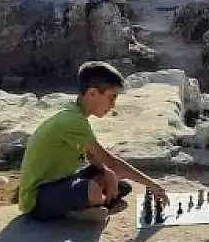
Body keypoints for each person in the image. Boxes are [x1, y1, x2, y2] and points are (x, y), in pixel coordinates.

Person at [17, 60, 170, 223]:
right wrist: (151, 184)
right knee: (93, 189)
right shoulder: (72, 120)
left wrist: (107, 173)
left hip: (62, 181)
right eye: (111, 98)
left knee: (117, 180)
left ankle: (93, 204)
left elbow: (92, 155)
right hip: (37, 198)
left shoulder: (75, 111)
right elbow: (109, 160)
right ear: (92, 93)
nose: (113, 105)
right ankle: (79, 210)